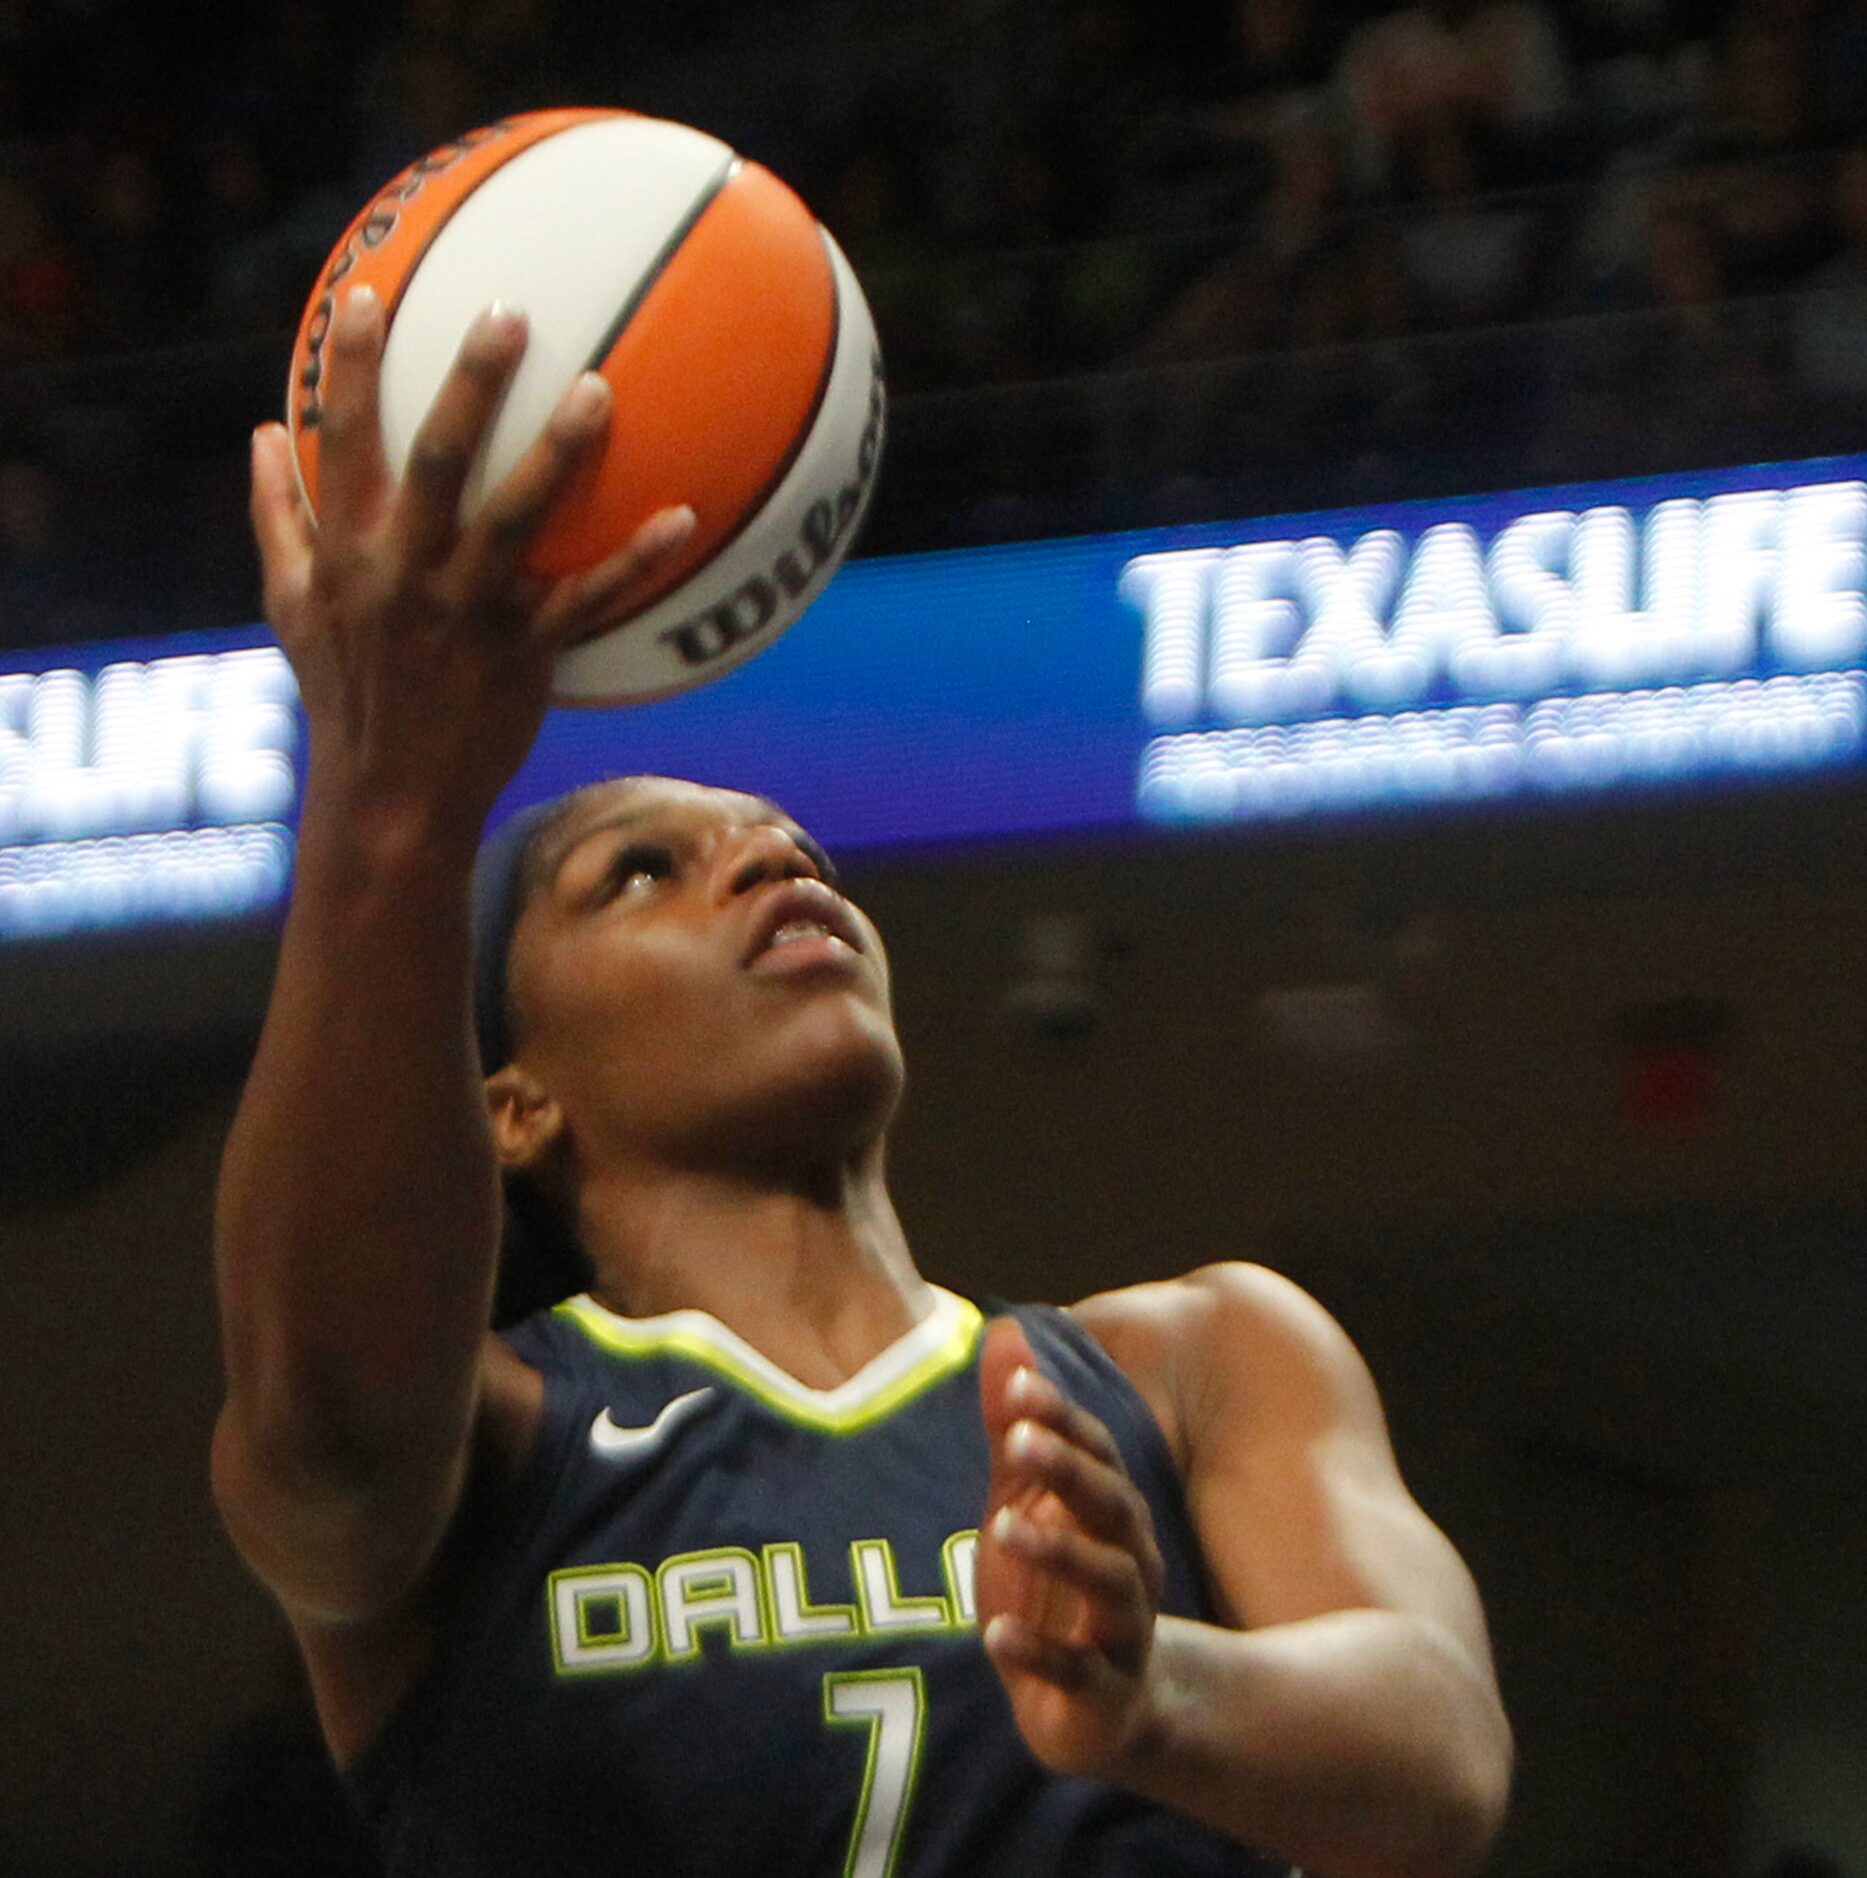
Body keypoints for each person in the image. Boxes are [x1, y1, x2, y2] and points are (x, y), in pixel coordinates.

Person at [210, 282, 1514, 1876]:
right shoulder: (492, 1442)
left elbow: (1439, 1749)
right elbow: (325, 1428)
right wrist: (388, 796)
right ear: (514, 1101)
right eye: (638, 871)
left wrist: (1146, 1686)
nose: (763, 857)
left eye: (786, 843)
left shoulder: (1192, 1364)